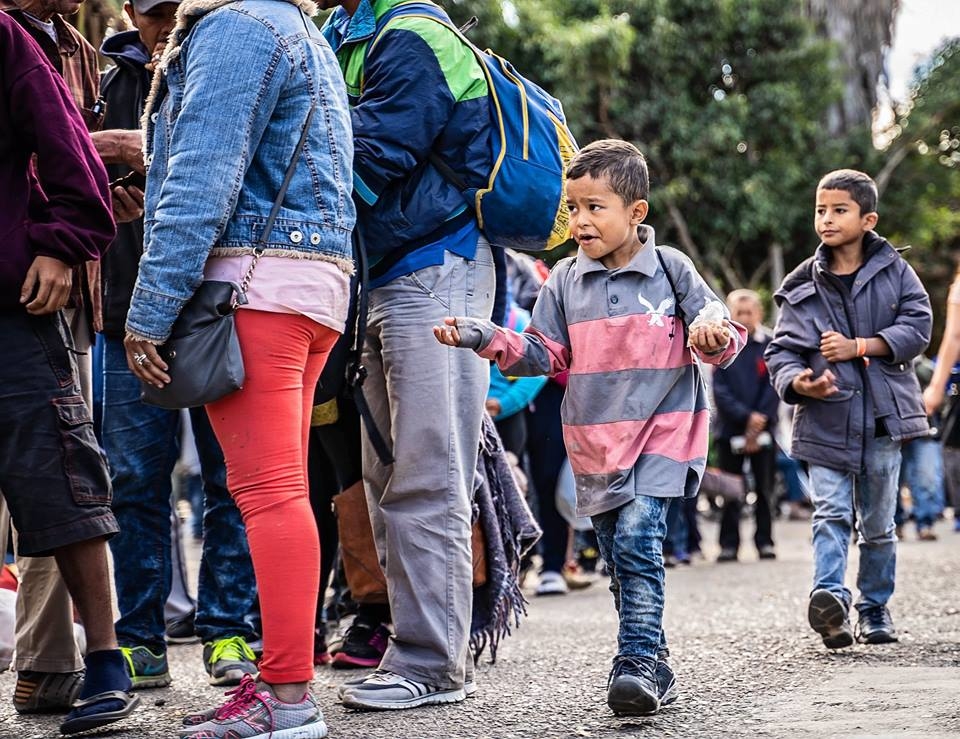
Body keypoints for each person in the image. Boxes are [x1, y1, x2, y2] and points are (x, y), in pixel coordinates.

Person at [435, 139, 747, 716]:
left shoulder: (672, 267)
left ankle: (632, 663)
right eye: (573, 207)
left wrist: (713, 334)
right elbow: (543, 353)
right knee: (620, 559)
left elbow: (718, 326)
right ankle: (655, 659)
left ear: (636, 212)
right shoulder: (561, 281)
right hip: (596, 443)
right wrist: (484, 336)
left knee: (635, 540)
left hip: (665, 435)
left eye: (594, 207)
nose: (579, 220)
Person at [123, 0, 355, 735]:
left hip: (252, 290)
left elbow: (202, 180)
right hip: (311, 286)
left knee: (269, 494)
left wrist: (149, 310)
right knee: (281, 492)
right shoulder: (297, 28)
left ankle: (287, 698)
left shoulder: (235, 27)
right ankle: (282, 682)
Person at [321, 0, 495, 711]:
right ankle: (415, 648)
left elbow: (372, 156)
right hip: (384, 273)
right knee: (387, 473)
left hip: (436, 269)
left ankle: (434, 662)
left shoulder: (415, 35)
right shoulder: (345, 34)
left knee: (427, 470)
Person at [93, 0, 260, 690]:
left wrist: (146, 152)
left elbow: (238, 167)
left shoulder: (232, 57)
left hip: (219, 308)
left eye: (175, 9)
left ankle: (231, 632)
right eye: (153, 11)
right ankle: (140, 638)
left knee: (235, 479)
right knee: (131, 479)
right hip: (123, 307)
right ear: (132, 10)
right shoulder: (108, 78)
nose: (165, 25)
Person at [0, 14, 139, 734]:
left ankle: (108, 658)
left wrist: (60, 243)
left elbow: (73, 163)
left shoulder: (5, 38)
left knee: (64, 479)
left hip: (10, 311)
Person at [765, 169, 932, 649]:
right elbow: (781, 351)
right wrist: (798, 382)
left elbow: (918, 325)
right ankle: (831, 601)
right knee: (831, 513)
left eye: (839, 210)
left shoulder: (896, 271)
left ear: (868, 218)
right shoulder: (801, 283)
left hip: (883, 418)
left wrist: (861, 345)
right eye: (821, 209)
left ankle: (874, 607)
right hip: (825, 416)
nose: (826, 219)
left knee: (878, 524)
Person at [711, 289, 780, 562]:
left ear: (759, 314)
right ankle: (729, 545)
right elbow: (720, 389)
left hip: (764, 430)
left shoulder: (771, 344)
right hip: (729, 429)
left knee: (765, 489)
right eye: (739, 312)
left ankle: (765, 542)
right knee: (730, 491)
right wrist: (745, 417)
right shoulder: (721, 343)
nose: (744, 317)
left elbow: (776, 383)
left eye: (749, 312)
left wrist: (759, 419)